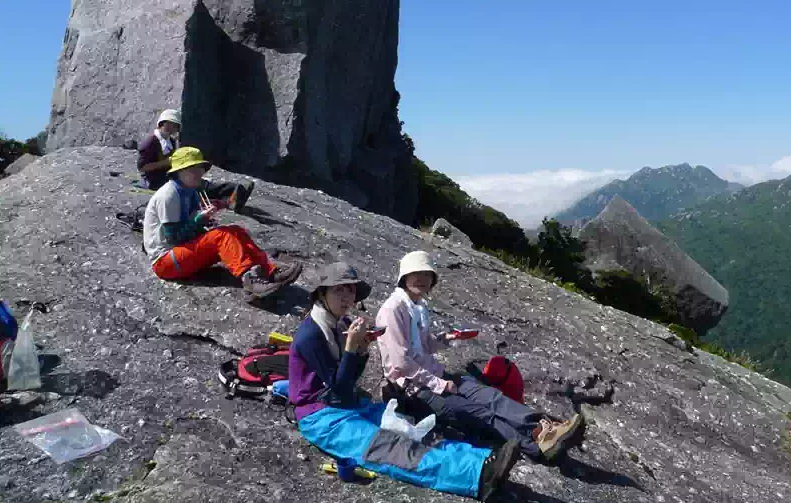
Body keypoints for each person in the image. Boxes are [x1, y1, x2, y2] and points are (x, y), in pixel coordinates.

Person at [289, 262, 520, 500]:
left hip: (346, 402)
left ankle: (481, 458)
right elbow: (340, 387)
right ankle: (476, 476)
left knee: (410, 429)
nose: (347, 296)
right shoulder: (311, 335)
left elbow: (348, 382)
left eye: (351, 289)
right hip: (320, 416)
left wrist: (362, 348)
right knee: (389, 447)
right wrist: (351, 349)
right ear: (322, 293)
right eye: (339, 289)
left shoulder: (342, 324)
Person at [376, 250, 584, 462]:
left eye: (427, 274)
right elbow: (400, 363)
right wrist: (440, 384)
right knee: (480, 414)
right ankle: (536, 448)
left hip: (435, 374)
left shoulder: (418, 307)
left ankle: (541, 428)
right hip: (412, 390)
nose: (422, 279)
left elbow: (425, 345)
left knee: (491, 396)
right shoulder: (393, 309)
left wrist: (446, 338)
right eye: (416, 273)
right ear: (404, 277)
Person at [142, 146, 300, 301]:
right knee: (221, 236)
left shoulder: (189, 190)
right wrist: (199, 220)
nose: (200, 173)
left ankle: (270, 271)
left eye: (201, 168)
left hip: (180, 253)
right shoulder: (168, 195)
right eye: (194, 169)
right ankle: (250, 281)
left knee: (236, 231)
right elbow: (173, 238)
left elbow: (191, 224)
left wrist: (211, 212)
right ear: (180, 171)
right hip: (165, 262)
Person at [137, 108, 254, 212]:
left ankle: (233, 193)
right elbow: (142, 167)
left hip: (170, 174)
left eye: (175, 125)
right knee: (196, 185)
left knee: (197, 181)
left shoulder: (170, 142)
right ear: (162, 124)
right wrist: (166, 162)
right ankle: (232, 194)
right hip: (155, 179)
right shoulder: (150, 142)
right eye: (171, 124)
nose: (173, 128)